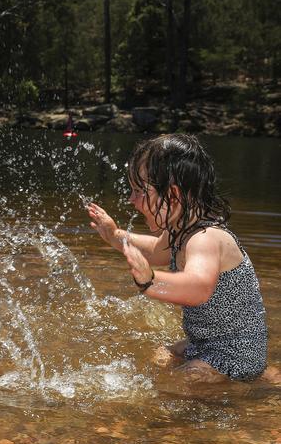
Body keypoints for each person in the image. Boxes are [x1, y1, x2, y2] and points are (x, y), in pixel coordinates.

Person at [87, 133, 275, 383]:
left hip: (233, 352)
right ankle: (267, 377)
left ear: (173, 195)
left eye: (138, 191)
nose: (131, 200)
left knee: (182, 382)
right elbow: (156, 251)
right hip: (204, 342)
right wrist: (115, 236)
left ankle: (245, 384)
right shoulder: (179, 231)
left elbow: (198, 287)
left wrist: (150, 281)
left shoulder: (205, 239)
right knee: (161, 355)